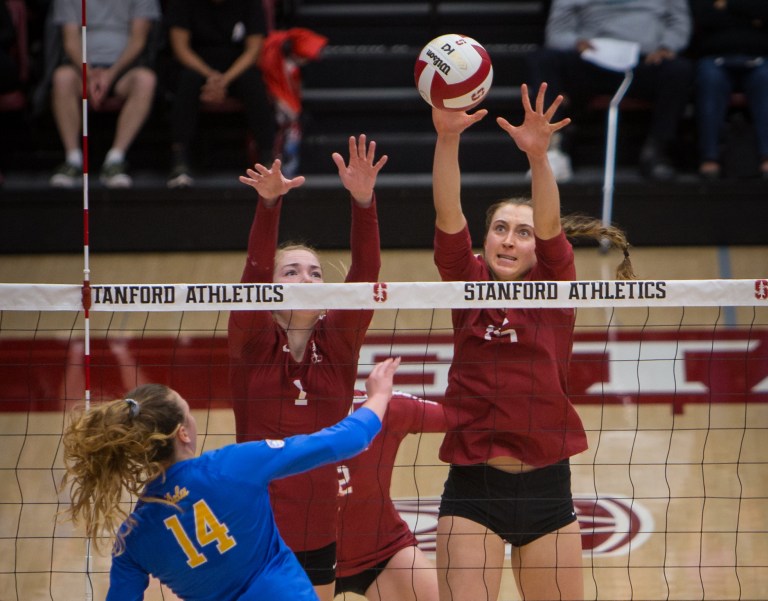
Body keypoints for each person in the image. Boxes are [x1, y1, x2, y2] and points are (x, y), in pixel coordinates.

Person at [429, 82, 636, 601]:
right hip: (473, 487)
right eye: (500, 228)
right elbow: (447, 213)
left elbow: (549, 226)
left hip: (547, 488)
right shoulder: (465, 279)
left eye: (520, 233)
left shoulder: (554, 285)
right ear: (485, 240)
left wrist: (539, 158)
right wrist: (447, 139)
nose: (509, 239)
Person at [60, 357, 401, 601]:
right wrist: (380, 394)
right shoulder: (233, 465)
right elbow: (344, 441)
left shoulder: (132, 537)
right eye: (188, 411)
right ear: (183, 433)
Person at [228, 134, 387, 601]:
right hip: (256, 529)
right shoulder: (251, 343)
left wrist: (363, 200)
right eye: (291, 271)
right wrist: (269, 207)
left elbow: (366, 272)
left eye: (315, 273)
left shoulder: (338, 344)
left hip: (319, 530)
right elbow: (253, 277)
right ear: (272, 289)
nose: (306, 279)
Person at [526, 0, 694, 181]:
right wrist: (576, 43)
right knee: (543, 59)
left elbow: (679, 22)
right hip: (590, 59)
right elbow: (556, 33)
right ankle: (555, 148)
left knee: (679, 70)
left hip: (646, 61)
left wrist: (666, 47)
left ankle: (657, 151)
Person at [335, 390, 447, 601]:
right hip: (300, 558)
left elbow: (461, 418)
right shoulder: (271, 415)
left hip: (383, 551)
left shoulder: (383, 406)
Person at [48, 0, 160, 188]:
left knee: (146, 80)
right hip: (81, 69)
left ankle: (115, 159)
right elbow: (70, 40)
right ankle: (73, 159)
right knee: (62, 78)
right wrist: (89, 73)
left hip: (123, 70)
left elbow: (138, 39)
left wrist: (111, 74)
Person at [165, 0, 276, 188]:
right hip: (197, 65)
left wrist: (224, 80)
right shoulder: (182, 4)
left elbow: (253, 50)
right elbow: (181, 48)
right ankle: (180, 160)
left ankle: (267, 159)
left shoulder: (251, 4)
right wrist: (211, 76)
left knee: (253, 82)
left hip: (236, 67)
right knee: (187, 81)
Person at [689, 0, 768, 179]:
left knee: (765, 78)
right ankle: (710, 157)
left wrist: (728, 5)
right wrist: (751, 18)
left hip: (760, 59)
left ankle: (766, 157)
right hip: (714, 58)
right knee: (709, 79)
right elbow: (703, 16)